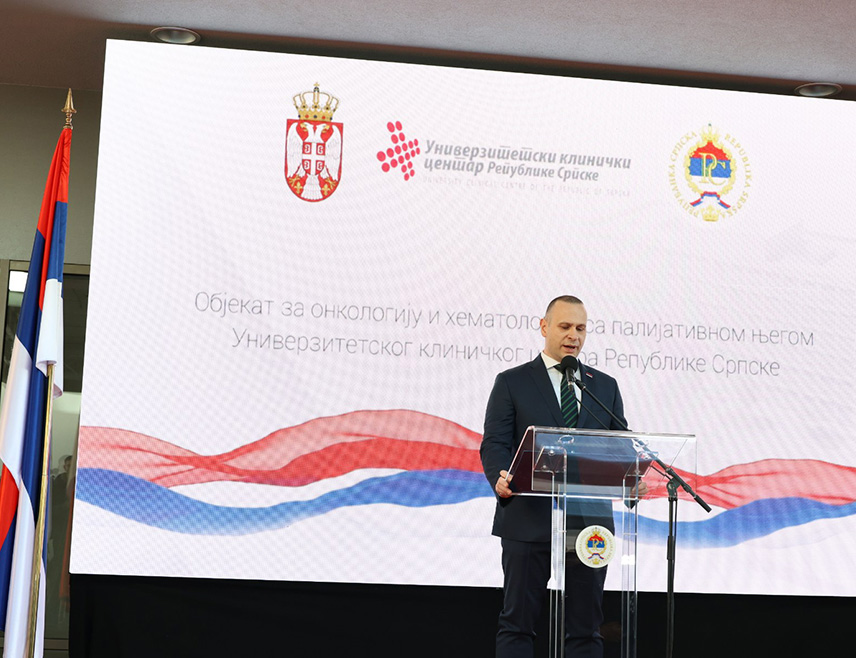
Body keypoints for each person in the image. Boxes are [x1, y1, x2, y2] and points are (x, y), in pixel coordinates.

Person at [480, 295, 628, 658]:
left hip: (589, 524)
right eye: (565, 326)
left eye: (581, 328)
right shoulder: (512, 382)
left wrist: (630, 474)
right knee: (517, 624)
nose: (573, 335)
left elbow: (620, 445)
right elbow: (495, 443)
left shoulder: (603, 386)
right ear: (544, 327)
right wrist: (499, 477)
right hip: (527, 517)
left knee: (586, 629)